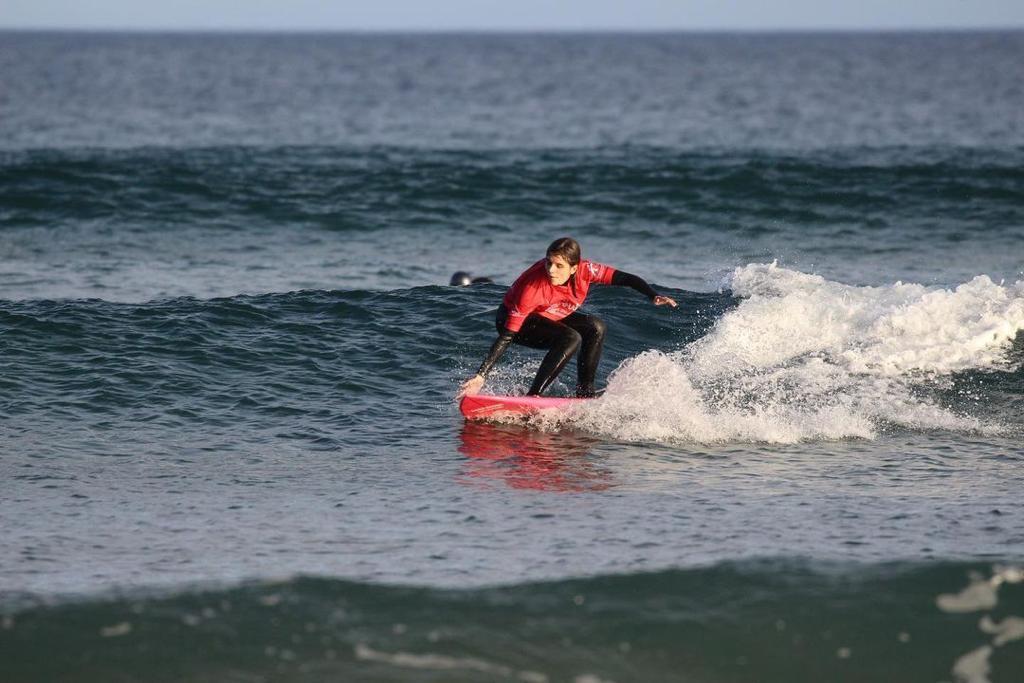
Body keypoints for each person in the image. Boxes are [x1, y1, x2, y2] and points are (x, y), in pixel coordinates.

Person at [457, 237, 677, 399]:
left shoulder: (586, 271)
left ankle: (585, 392)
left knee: (596, 327)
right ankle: (534, 395)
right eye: (548, 262)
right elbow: (506, 336)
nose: (551, 270)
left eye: (559, 265)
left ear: (574, 268)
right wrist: (481, 376)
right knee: (571, 337)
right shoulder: (532, 288)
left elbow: (625, 278)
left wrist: (653, 295)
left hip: (550, 314)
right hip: (516, 322)